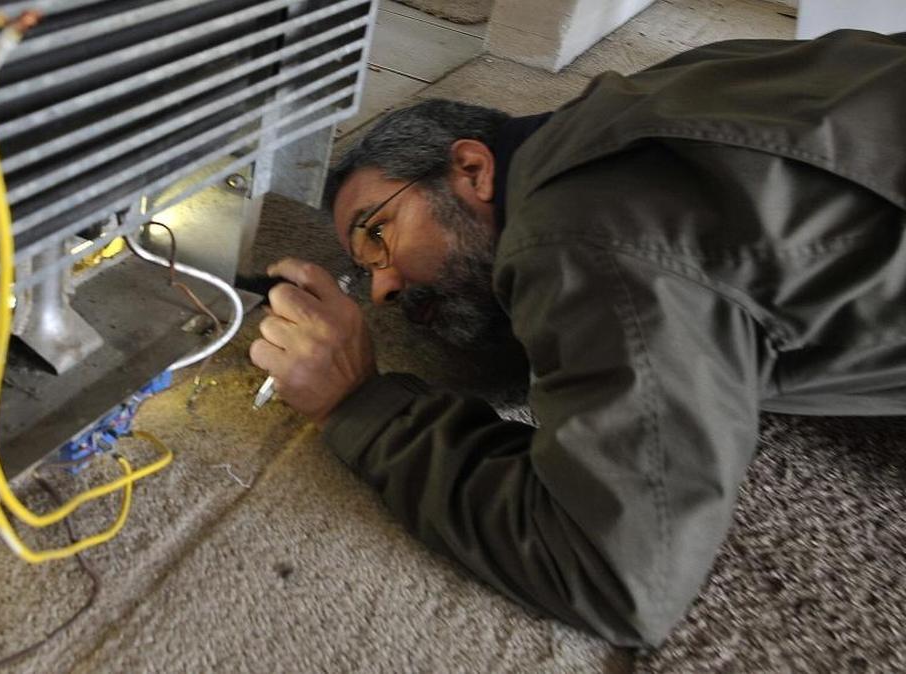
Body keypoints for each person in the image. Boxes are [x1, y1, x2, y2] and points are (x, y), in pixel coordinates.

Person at [247, 29, 906, 646]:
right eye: (365, 272)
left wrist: (358, 404)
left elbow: (614, 575)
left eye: (377, 234)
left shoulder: (577, 237)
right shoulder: (658, 92)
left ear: (472, 168)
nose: (384, 290)